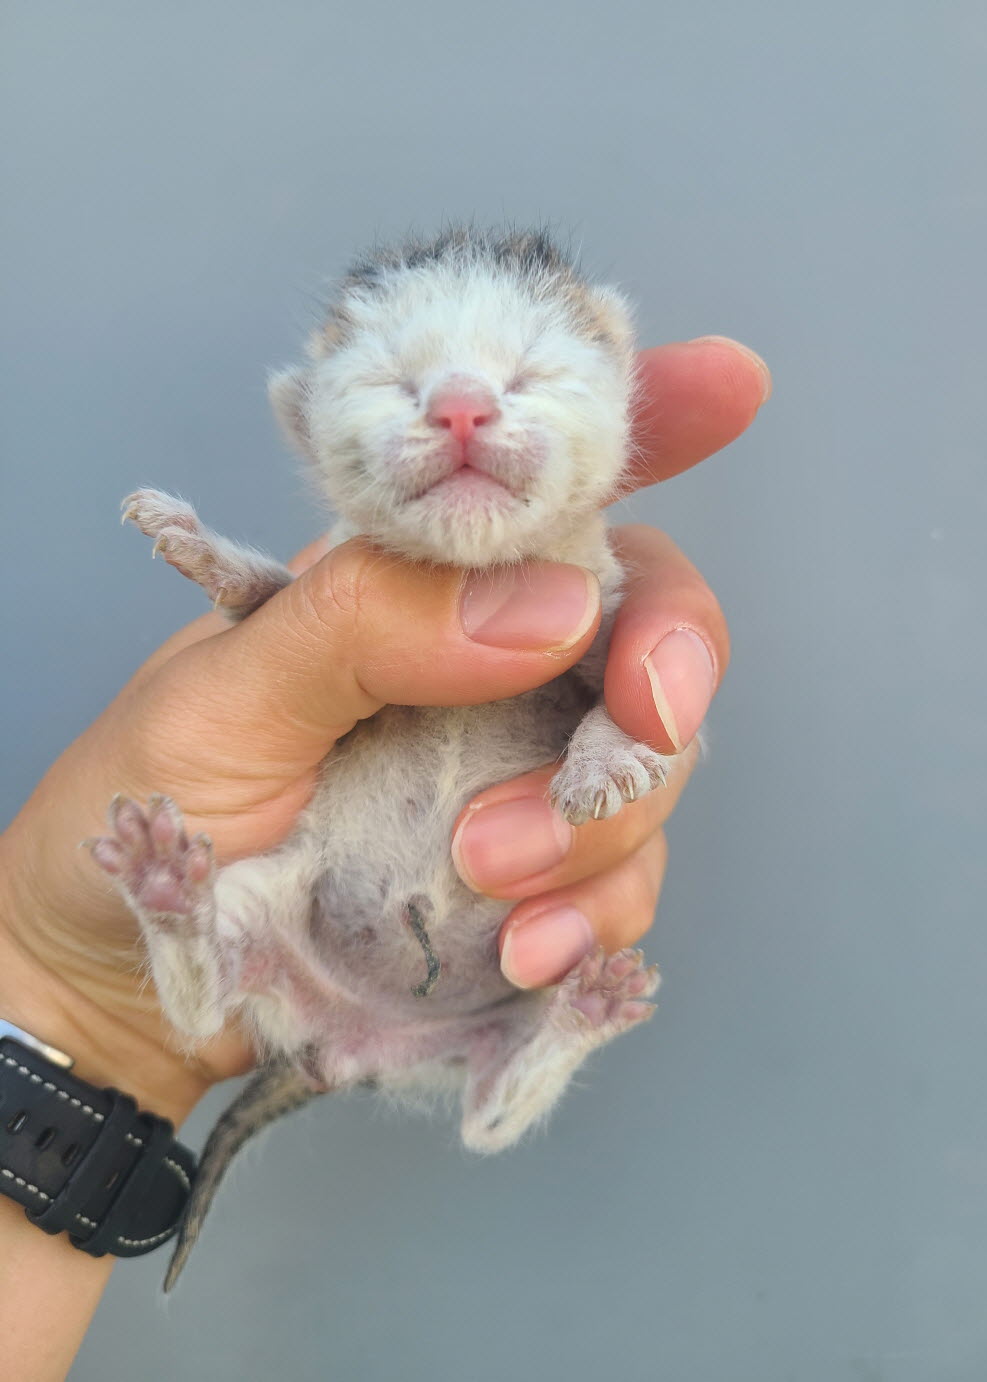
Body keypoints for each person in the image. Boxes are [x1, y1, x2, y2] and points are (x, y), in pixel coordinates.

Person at [0, 336, 769, 1380]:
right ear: (306, 425)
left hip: (450, 1012)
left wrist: (621, 737)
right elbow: (285, 620)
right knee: (249, 903)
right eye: (398, 390)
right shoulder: (349, 583)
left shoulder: (594, 582)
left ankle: (550, 1036)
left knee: (504, 1078)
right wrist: (232, 571)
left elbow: (639, 717)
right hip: (303, 951)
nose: (460, 409)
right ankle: (181, 917)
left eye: (528, 381)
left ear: (614, 417)